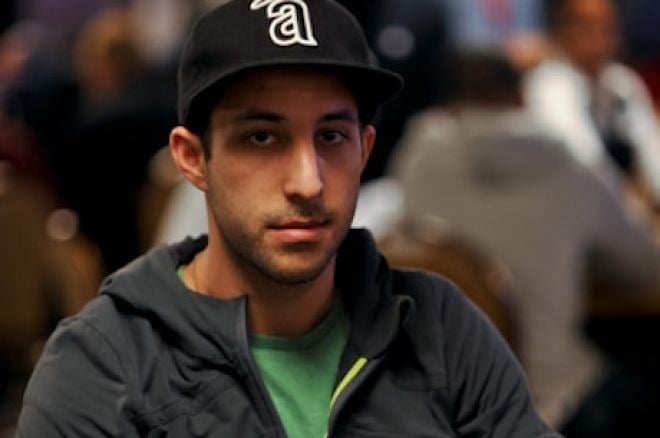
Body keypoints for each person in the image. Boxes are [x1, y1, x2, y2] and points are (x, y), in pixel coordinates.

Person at [17, 1, 558, 437]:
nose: (307, 181)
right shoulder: (102, 365)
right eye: (261, 137)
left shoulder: (439, 325)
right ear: (192, 158)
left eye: (331, 136)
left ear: (365, 149)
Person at [394, 50, 659, 435]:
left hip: (445, 407)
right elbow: (645, 271)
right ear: (520, 98)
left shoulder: (415, 159)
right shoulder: (568, 165)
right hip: (553, 405)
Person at [525, 0, 660, 204]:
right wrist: (637, 212)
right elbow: (586, 166)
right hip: (569, 210)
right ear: (561, 30)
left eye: (607, 27)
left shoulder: (622, 81)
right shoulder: (549, 84)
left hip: (619, 210)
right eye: (587, 27)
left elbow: (653, 155)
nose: (599, 38)